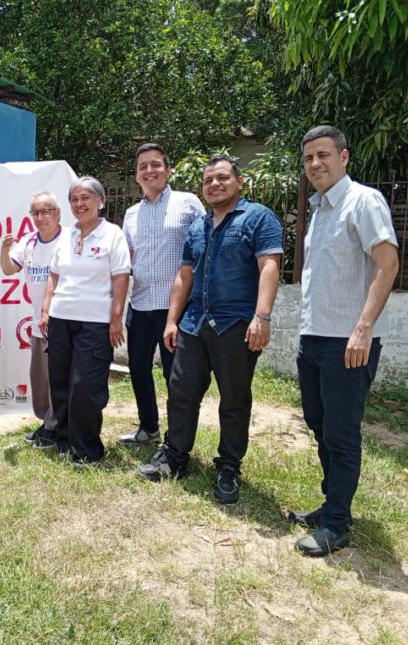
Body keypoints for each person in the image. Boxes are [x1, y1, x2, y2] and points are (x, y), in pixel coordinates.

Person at [137, 157, 283, 505]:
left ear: (240, 182)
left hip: (236, 327)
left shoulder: (259, 217)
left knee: (233, 400)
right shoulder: (198, 227)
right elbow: (184, 276)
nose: (214, 184)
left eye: (222, 178)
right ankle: (175, 456)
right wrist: (172, 320)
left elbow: (270, 266)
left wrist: (261, 317)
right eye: (208, 180)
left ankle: (229, 466)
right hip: (193, 325)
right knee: (181, 394)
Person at [289, 125, 399, 557]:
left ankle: (336, 524)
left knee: (341, 433)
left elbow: (387, 265)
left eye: (323, 155)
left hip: (347, 343)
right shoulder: (320, 209)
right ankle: (334, 504)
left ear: (344, 157)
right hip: (314, 338)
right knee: (319, 426)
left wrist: (363, 327)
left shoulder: (363, 201)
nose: (315, 164)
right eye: (309, 158)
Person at [39, 177, 131, 465]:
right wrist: (45, 310)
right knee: (60, 383)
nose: (80, 204)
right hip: (60, 319)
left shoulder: (112, 234)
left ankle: (87, 449)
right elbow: (54, 275)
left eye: (86, 198)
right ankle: (65, 441)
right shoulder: (65, 235)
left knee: (85, 386)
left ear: (100, 201)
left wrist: (116, 319)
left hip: (95, 322)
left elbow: (121, 277)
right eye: (74, 199)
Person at [118, 143, 204, 446]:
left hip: (175, 308)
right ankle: (148, 428)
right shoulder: (131, 214)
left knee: (175, 376)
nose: (149, 170)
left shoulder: (188, 203)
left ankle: (176, 439)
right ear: (137, 175)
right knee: (138, 369)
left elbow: (202, 249)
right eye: (143, 166)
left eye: (156, 164)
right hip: (140, 303)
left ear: (167, 171)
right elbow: (126, 257)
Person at [0, 191, 64, 449]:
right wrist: (4, 251)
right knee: (41, 379)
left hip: (64, 320)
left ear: (57, 213)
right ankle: (46, 421)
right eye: (35, 212)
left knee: (58, 378)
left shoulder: (69, 239)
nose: (41, 217)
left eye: (46, 211)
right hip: (39, 322)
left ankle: (55, 427)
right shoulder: (28, 242)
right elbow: (7, 269)